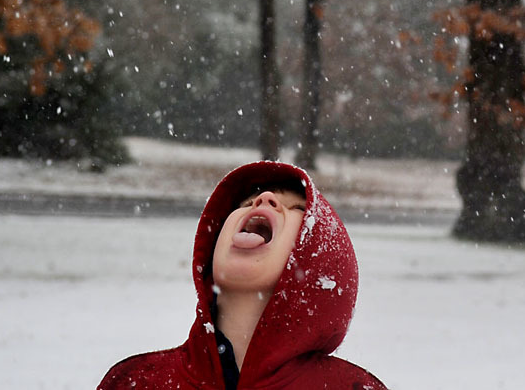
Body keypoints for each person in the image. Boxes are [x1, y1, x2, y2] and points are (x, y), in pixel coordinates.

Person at [98, 160, 387, 389]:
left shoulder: (351, 388)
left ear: (321, 261)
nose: (264, 199)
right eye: (246, 204)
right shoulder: (135, 382)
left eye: (297, 208)